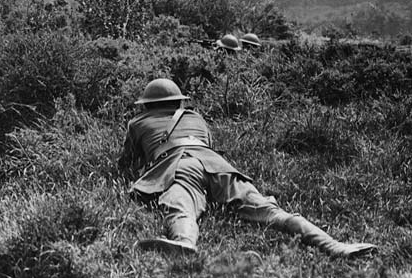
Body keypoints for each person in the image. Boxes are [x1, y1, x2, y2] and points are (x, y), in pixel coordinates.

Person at [117, 78, 377, 259]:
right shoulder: (195, 117)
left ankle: (185, 243)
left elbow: (128, 163)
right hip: (218, 165)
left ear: (147, 105)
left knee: (182, 204)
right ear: (178, 102)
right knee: (269, 211)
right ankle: (334, 246)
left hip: (180, 164)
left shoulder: (138, 123)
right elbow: (207, 145)